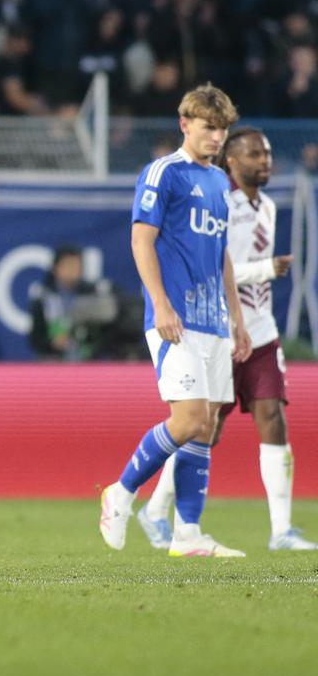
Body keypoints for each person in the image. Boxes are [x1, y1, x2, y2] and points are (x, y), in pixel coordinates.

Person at [137, 128, 316, 551]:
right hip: (216, 329)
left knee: (272, 416)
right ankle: (155, 509)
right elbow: (218, 269)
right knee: (200, 430)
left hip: (262, 331)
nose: (265, 161)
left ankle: (281, 531)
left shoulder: (268, 206)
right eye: (255, 154)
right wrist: (266, 269)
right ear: (231, 161)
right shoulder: (218, 203)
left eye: (268, 154)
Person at [99, 83, 252, 558]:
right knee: (186, 420)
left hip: (213, 319)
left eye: (223, 130)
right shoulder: (163, 172)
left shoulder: (219, 183)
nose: (216, 137)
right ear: (185, 124)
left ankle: (188, 532)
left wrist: (238, 318)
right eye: (209, 128)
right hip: (176, 318)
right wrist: (161, 304)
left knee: (205, 425)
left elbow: (223, 254)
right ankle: (121, 493)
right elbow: (141, 241)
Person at [28, 244, 118, 361]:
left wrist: (91, 346)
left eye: (76, 265)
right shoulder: (43, 297)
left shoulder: (93, 293)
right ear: (56, 268)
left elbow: (107, 331)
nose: (73, 270)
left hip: (90, 361)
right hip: (53, 360)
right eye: (68, 265)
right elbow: (35, 337)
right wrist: (51, 343)